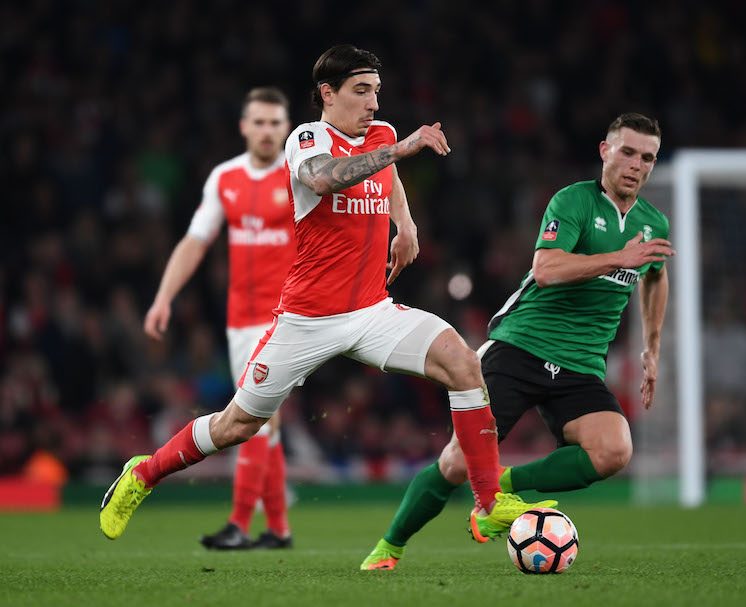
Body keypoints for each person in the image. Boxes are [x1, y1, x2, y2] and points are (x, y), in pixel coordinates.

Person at [100, 44, 550, 545]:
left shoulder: (380, 134)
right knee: (237, 425)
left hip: (372, 311)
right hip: (307, 319)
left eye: (376, 91)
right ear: (328, 93)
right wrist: (399, 150)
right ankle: (143, 473)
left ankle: (488, 503)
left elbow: (388, 176)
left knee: (464, 364)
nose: (373, 103)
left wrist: (405, 224)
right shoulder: (306, 139)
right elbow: (323, 178)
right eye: (361, 91)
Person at [361, 112, 673, 570]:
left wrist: (652, 346)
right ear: (605, 151)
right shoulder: (573, 202)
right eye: (627, 152)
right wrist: (616, 258)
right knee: (456, 464)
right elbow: (546, 270)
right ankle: (389, 547)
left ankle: (497, 487)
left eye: (647, 158)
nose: (636, 165)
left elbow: (655, 275)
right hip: (519, 347)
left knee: (613, 450)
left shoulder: (653, 223)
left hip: (581, 364)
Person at [142, 87, 296, 550]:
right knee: (266, 420)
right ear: (244, 127)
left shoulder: (300, 175)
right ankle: (279, 529)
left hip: (287, 316)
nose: (267, 131)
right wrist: (164, 297)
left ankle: (239, 524)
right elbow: (195, 241)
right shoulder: (225, 178)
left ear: (286, 128)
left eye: (275, 122)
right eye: (259, 122)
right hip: (239, 319)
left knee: (256, 417)